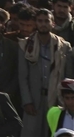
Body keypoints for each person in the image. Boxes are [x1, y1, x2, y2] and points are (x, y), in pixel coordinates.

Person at [18, 9, 72, 137]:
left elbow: (68, 79)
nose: (43, 24)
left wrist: (65, 102)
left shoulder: (64, 46)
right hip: (34, 100)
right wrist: (27, 101)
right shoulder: (25, 45)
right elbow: (22, 77)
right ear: (35, 23)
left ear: (52, 23)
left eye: (46, 21)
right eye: (40, 21)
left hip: (56, 100)